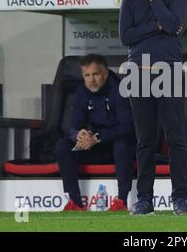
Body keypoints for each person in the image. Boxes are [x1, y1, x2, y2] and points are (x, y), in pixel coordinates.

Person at [119, 0, 187, 215]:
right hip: (138, 74)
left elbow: (172, 25)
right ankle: (144, 199)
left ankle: (180, 199)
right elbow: (126, 36)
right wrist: (156, 26)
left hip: (168, 73)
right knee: (145, 140)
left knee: (176, 138)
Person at [55, 54, 136, 211]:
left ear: (105, 73)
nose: (91, 80)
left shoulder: (120, 90)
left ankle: (121, 201)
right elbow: (74, 126)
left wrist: (98, 138)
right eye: (87, 75)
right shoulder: (82, 92)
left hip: (117, 148)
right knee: (63, 146)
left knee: (122, 144)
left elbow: (127, 126)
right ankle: (75, 202)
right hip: (94, 147)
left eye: (95, 74)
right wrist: (79, 134)